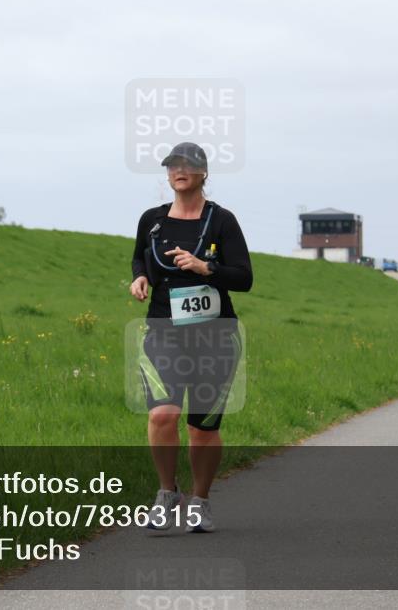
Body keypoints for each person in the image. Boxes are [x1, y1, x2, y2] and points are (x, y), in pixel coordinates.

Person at [129, 142, 252, 534]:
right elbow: (137, 255)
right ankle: (167, 493)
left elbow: (244, 278)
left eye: (188, 165)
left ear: (203, 173)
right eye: (173, 165)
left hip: (215, 336)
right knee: (162, 414)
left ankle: (200, 499)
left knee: (203, 428)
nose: (179, 170)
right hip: (163, 331)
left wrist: (206, 267)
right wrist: (141, 275)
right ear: (167, 175)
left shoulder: (222, 221)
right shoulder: (152, 220)